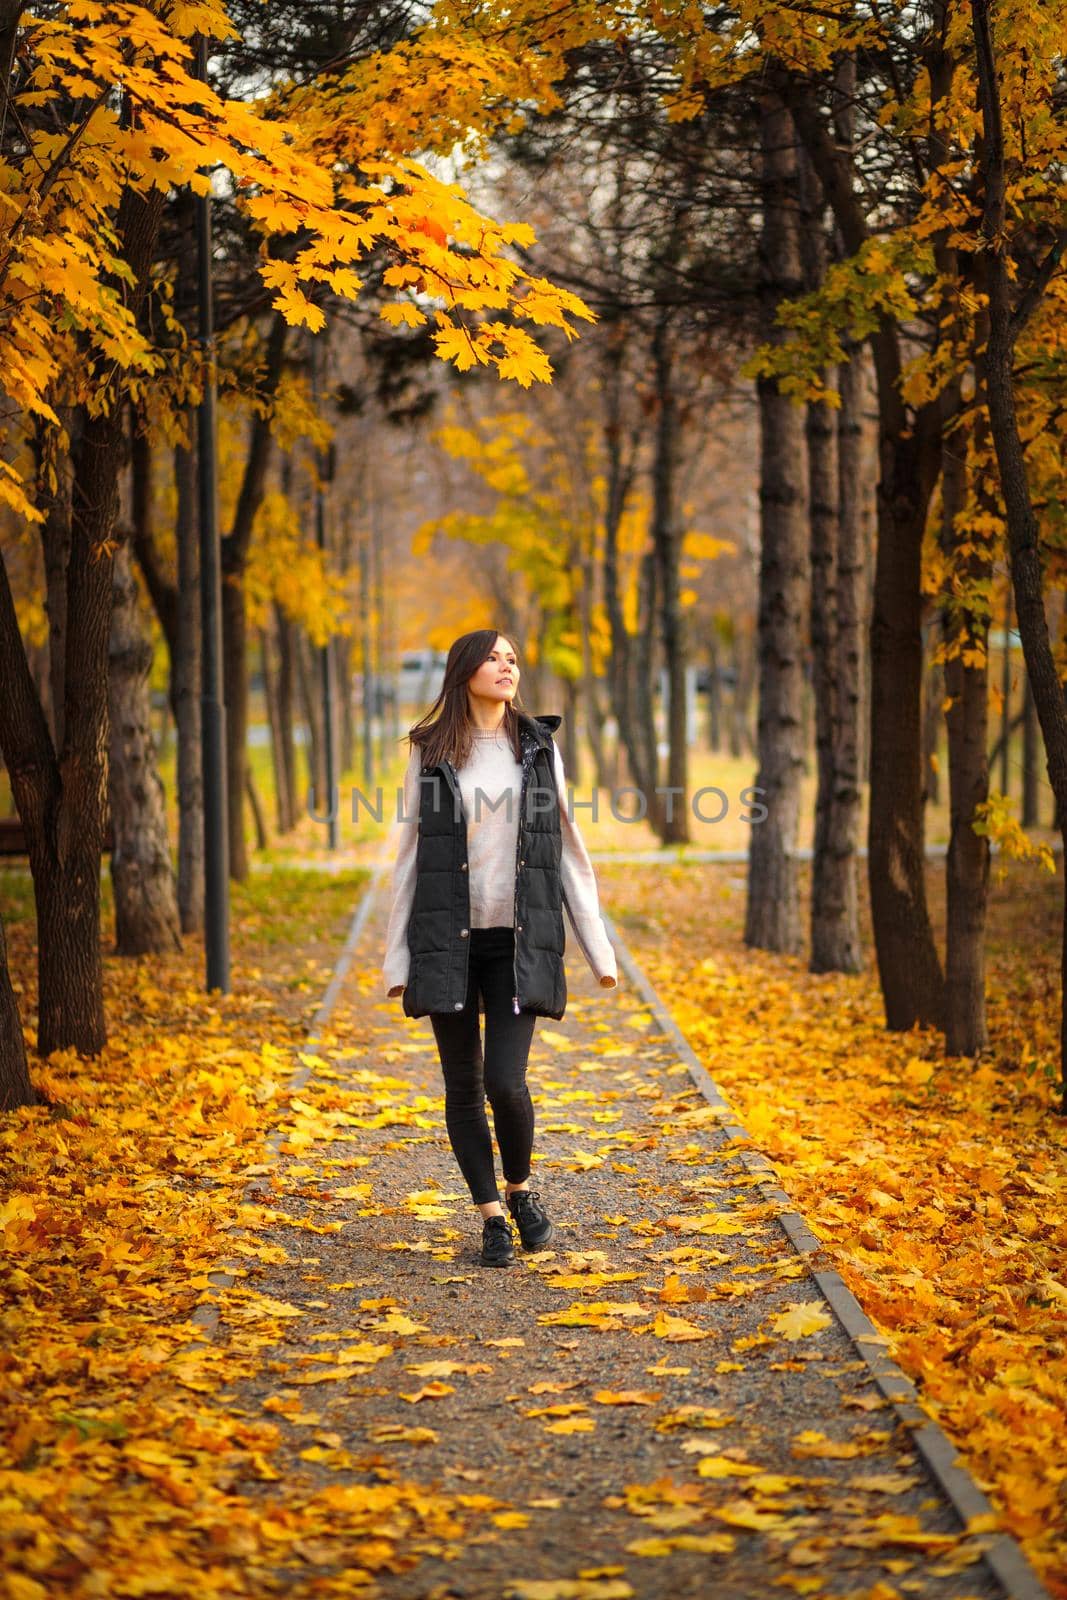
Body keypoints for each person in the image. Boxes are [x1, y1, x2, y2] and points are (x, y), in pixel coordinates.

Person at [382, 629, 619, 1267]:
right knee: (462, 1085)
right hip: (447, 942)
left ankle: (521, 1189)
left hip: (518, 943)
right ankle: (490, 1216)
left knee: (504, 1082)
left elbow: (567, 847)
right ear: (465, 670)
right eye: (494, 657)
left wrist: (598, 950)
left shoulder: (537, 747)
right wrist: (396, 959)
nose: (507, 666)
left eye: (513, 657)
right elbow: (410, 858)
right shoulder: (430, 751)